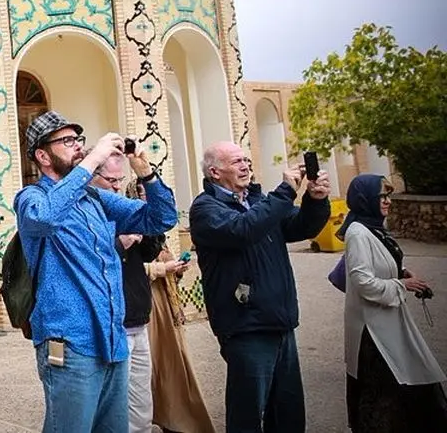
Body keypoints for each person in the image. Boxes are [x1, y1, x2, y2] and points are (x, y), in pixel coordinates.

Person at [14, 112, 177, 433]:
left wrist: (145, 172)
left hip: (112, 338)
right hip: (70, 342)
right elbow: (43, 219)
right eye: (66, 141)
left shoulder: (94, 198)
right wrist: (94, 160)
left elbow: (160, 219)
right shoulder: (32, 197)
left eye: (78, 140)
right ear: (42, 156)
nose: (78, 147)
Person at [188, 142, 331, 433]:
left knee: (288, 413)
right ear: (215, 172)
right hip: (246, 326)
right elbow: (244, 229)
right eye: (238, 161)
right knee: (248, 415)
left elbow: (299, 227)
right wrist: (285, 192)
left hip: (280, 321)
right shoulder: (205, 209)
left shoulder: (259, 201)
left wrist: (315, 201)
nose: (246, 166)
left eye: (248, 160)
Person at [341, 174, 447, 431]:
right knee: (382, 392)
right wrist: (402, 285)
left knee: (403, 381)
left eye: (388, 196)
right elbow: (363, 281)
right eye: (382, 197)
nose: (387, 201)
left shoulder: (373, 227)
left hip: (387, 323)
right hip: (372, 331)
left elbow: (382, 259)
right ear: (366, 199)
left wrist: (401, 271)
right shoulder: (358, 232)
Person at [87, 153, 176, 433]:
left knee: (140, 399)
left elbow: (150, 252)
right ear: (91, 177)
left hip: (138, 315)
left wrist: (146, 229)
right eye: (110, 180)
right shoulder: (84, 212)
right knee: (114, 400)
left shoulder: (124, 209)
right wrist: (118, 243)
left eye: (119, 180)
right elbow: (85, 262)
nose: (116, 187)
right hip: (112, 324)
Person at [146, 244, 216, 433]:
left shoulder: (157, 236)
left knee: (173, 368)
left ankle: (175, 421)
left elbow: (168, 270)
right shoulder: (126, 233)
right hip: (146, 311)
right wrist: (161, 269)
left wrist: (176, 269)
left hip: (167, 309)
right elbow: (127, 270)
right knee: (154, 370)